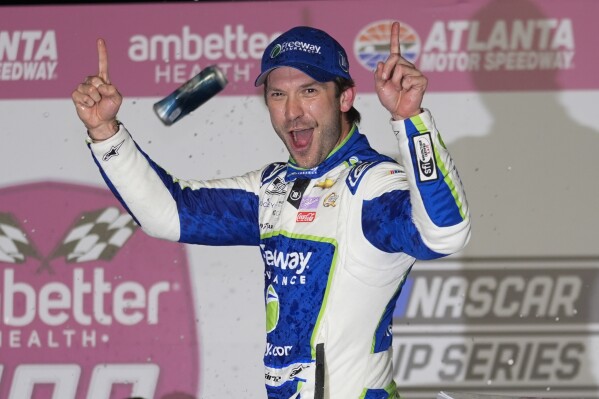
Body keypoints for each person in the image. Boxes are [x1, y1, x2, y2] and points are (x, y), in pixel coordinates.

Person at [72, 22, 470, 399]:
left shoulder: (371, 185)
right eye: (278, 95)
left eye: (309, 91)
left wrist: (410, 119)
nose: (292, 111)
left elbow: (445, 233)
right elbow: (167, 213)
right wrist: (106, 132)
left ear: (345, 97)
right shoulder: (270, 188)